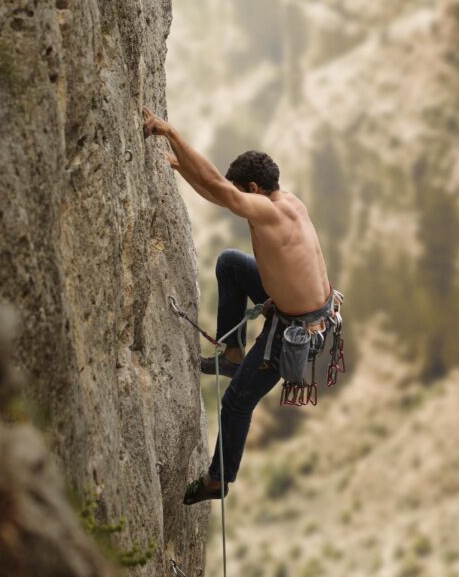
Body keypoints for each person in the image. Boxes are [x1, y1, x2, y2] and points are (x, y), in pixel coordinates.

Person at [142, 105, 334, 504]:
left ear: (254, 189)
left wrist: (168, 132)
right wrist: (182, 168)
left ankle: (218, 481)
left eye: (241, 191)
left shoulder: (268, 213)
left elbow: (219, 188)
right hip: (299, 308)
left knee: (236, 403)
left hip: (293, 331)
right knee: (231, 263)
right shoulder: (288, 202)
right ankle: (232, 354)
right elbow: (219, 192)